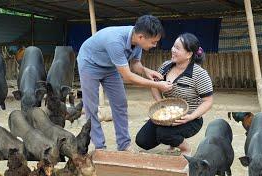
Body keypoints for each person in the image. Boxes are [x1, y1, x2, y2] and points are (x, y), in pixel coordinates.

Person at [77, 15, 173, 151]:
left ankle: (124, 145)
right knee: (91, 107)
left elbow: (135, 65)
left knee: (120, 103)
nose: (155, 45)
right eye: (153, 42)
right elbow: (128, 77)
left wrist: (146, 71)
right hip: (90, 64)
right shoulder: (115, 41)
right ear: (141, 37)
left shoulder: (137, 41)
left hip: (110, 66)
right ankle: (99, 147)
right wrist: (157, 85)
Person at [135, 33, 213, 155]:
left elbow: (208, 101)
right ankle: (172, 139)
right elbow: (154, 85)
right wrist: (160, 103)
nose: (172, 50)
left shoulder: (199, 74)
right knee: (142, 141)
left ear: (189, 54)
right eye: (173, 46)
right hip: (166, 115)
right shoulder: (166, 66)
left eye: (177, 48)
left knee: (163, 134)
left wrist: (191, 117)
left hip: (189, 119)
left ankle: (185, 148)